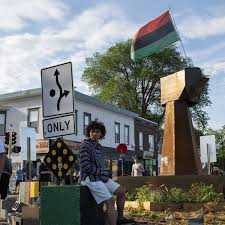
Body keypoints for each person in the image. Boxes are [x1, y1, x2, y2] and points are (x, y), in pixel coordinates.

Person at [79, 121, 133, 225]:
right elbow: (85, 166)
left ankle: (120, 219)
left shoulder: (99, 146)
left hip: (100, 177)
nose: (94, 134)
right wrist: (101, 171)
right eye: (92, 131)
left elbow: (100, 165)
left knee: (121, 191)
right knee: (110, 201)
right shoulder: (85, 145)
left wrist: (103, 172)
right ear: (89, 132)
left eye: (97, 132)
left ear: (101, 134)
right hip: (90, 179)